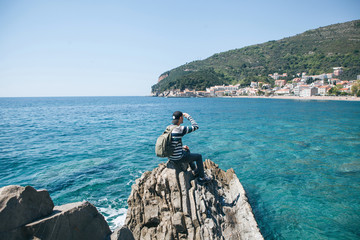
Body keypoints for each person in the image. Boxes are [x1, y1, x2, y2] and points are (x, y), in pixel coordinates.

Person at [169, 111, 211, 182]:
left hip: (170, 156)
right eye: (182, 118)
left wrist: (182, 147)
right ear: (180, 118)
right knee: (199, 157)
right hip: (178, 157)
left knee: (186, 150)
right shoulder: (180, 129)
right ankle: (202, 178)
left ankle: (194, 170)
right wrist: (188, 117)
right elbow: (196, 126)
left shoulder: (169, 128)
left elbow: (172, 142)